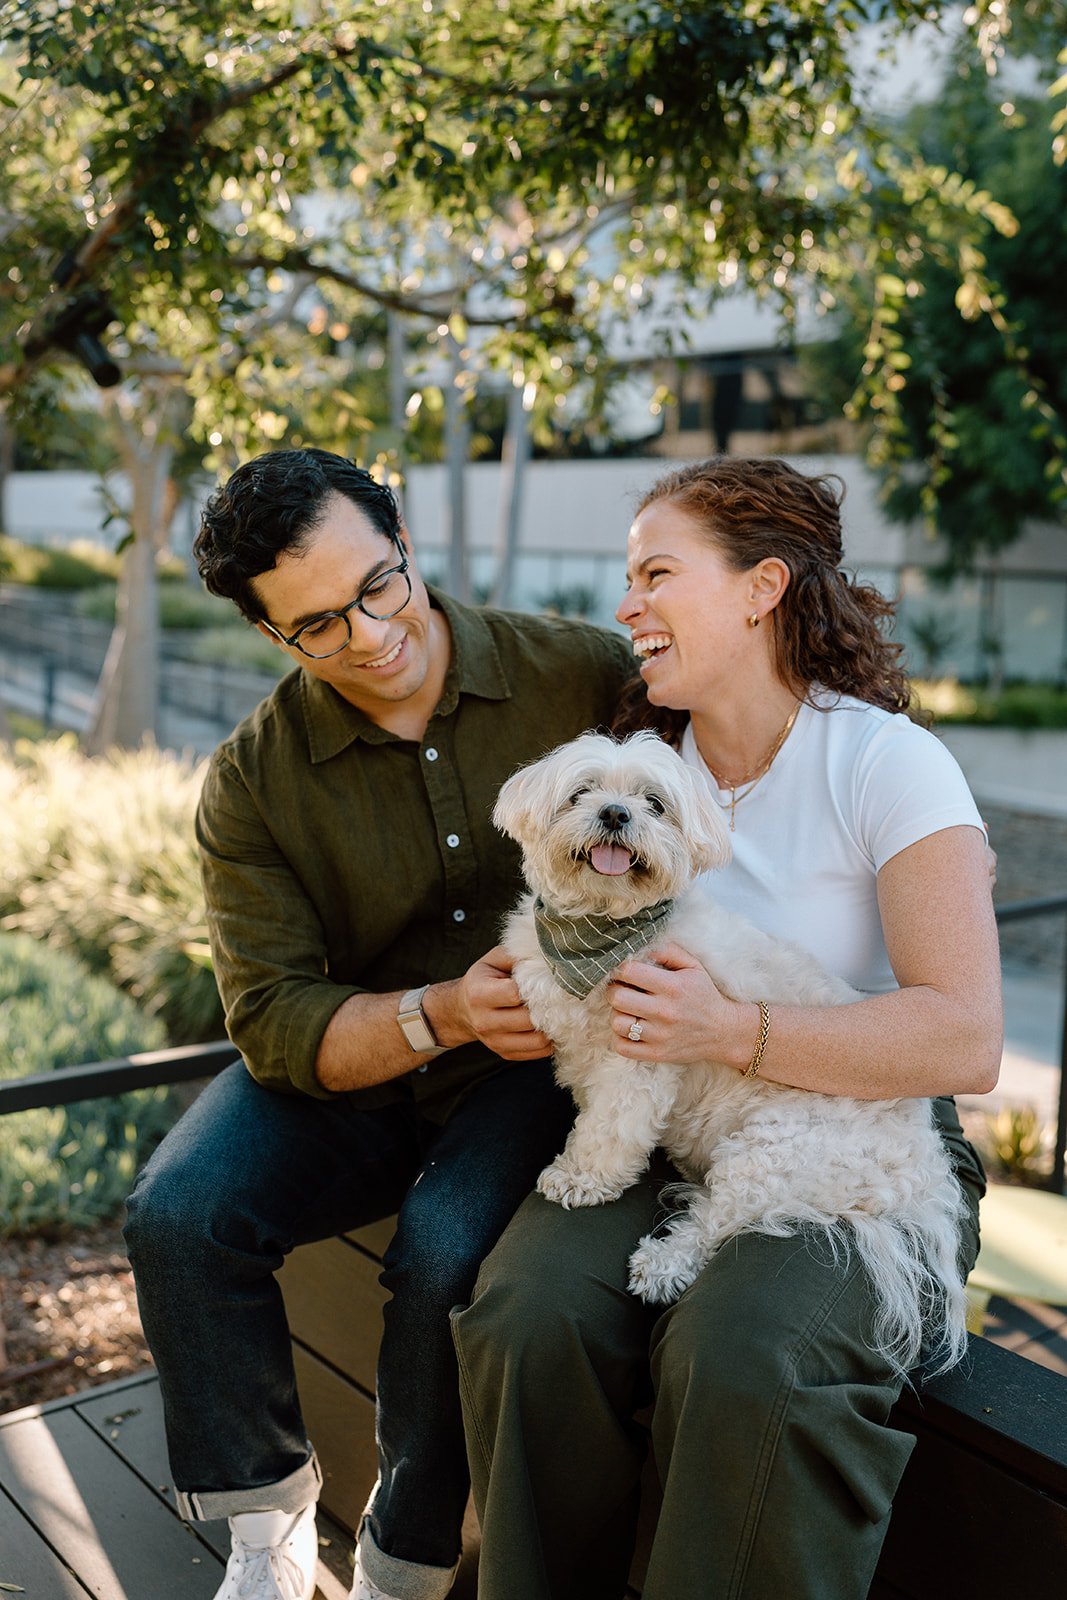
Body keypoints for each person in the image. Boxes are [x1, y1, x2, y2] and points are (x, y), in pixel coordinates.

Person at [450, 456, 1002, 1600]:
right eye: (625, 579)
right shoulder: (644, 769)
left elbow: (964, 1038)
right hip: (662, 1127)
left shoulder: (889, 764)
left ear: (759, 588)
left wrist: (731, 1028)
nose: (625, 607)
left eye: (655, 574)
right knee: (524, 1314)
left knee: (745, 1357)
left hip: (861, 1139)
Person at [122, 447, 635, 1600]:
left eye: (377, 585)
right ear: (272, 634)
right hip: (360, 1058)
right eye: (314, 625)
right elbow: (269, 1018)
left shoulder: (583, 673)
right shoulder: (251, 778)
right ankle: (266, 1526)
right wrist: (439, 1010)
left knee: (445, 1256)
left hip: (532, 1070)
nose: (364, 635)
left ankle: (399, 1562)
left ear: (403, 545)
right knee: (177, 1217)